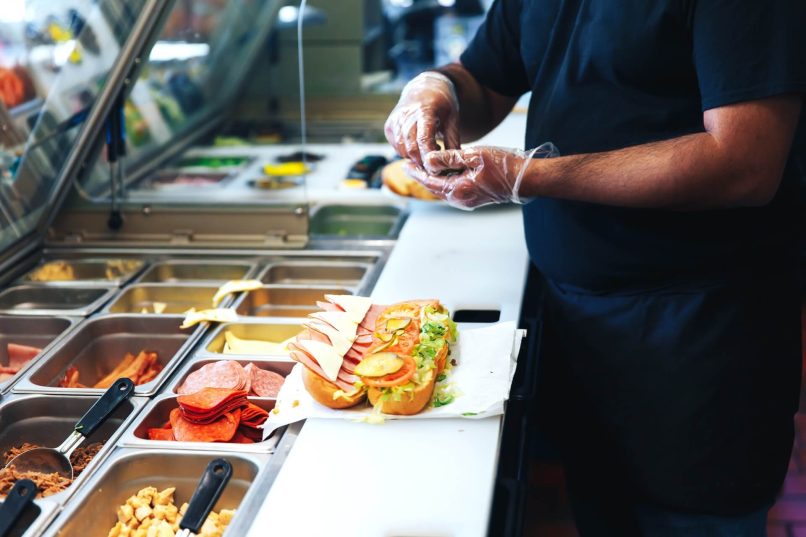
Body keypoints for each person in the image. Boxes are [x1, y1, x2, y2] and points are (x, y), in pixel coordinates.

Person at [384, 1, 806, 535]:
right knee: (602, 504)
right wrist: (436, 91)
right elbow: (484, 83)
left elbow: (743, 163)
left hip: (698, 332)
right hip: (581, 322)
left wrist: (532, 175)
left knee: (692, 517)